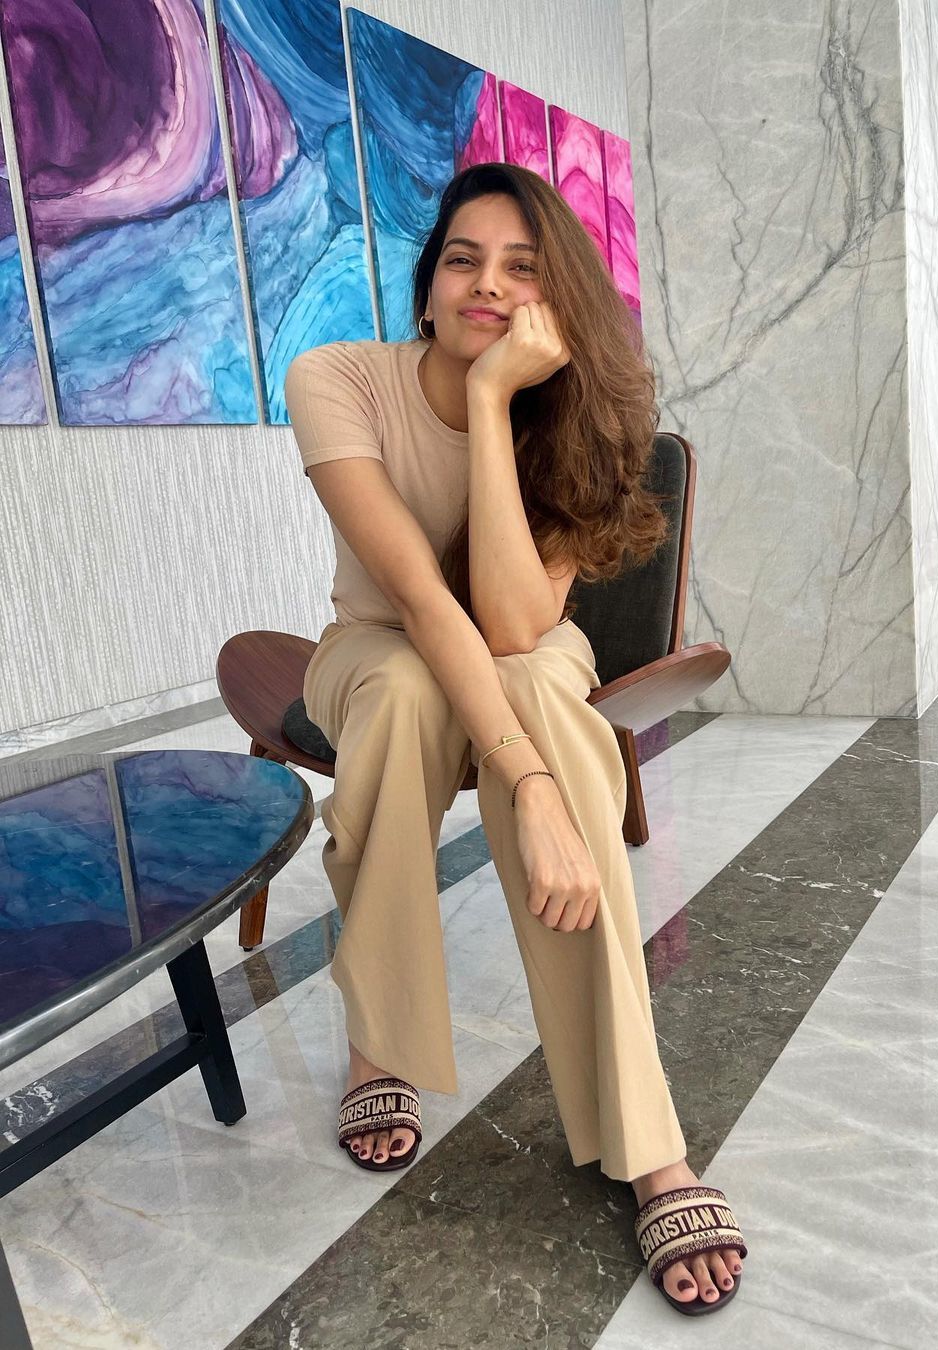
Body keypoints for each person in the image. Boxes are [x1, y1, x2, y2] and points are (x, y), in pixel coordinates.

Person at [283, 162, 747, 1315]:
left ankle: (648, 1141)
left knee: (538, 683)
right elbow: (420, 599)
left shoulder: (580, 414)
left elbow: (506, 624)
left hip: (527, 645)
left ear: (558, 296)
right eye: (463, 259)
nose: (487, 284)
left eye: (521, 267)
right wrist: (530, 790)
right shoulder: (336, 379)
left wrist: (496, 405)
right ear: (426, 287)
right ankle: (381, 1041)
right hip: (379, 641)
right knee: (405, 690)